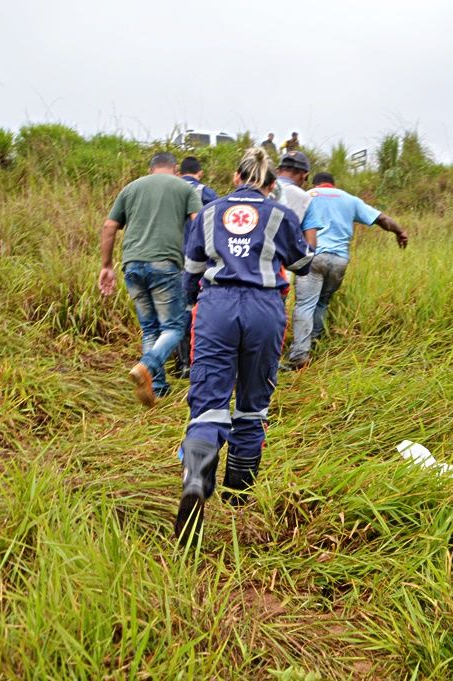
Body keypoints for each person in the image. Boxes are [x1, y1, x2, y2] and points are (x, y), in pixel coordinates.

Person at [175, 148, 314, 544]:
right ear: (270, 183)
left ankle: (197, 477)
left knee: (208, 404)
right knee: (253, 404)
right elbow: (302, 265)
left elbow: (191, 273)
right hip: (265, 310)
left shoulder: (208, 212)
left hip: (216, 308)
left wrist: (193, 308)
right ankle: (239, 500)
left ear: (236, 177)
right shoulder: (280, 214)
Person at [99, 152, 202, 406]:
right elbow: (199, 225)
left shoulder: (131, 188)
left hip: (132, 265)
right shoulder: (185, 188)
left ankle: (156, 385)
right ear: (176, 169)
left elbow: (109, 227)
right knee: (174, 327)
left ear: (151, 168)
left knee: (150, 328)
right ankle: (148, 365)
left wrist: (106, 266)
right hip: (165, 265)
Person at [282, 172, 409, 371]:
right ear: (333, 185)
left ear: (314, 183)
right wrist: (400, 232)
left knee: (305, 305)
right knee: (322, 303)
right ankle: (312, 346)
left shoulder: (306, 196)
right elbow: (382, 219)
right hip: (339, 261)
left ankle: (299, 356)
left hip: (314, 258)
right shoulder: (350, 199)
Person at [173, 156, 219, 379]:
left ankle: (179, 363)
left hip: (169, 257)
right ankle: (195, 361)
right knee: (195, 309)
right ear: (199, 172)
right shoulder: (205, 192)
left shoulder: (169, 188)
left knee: (175, 311)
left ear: (180, 171)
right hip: (197, 259)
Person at [272, 150, 321, 247]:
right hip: (285, 258)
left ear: (278, 171)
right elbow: (311, 243)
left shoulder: (260, 189)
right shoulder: (305, 198)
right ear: (304, 176)